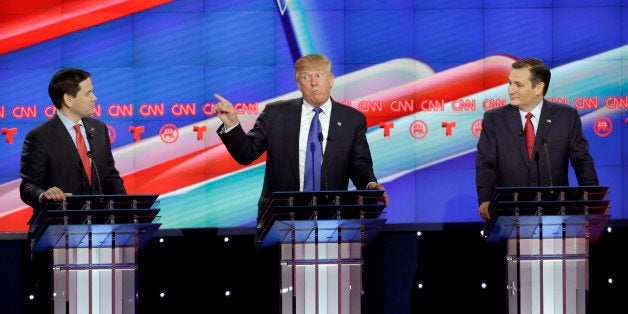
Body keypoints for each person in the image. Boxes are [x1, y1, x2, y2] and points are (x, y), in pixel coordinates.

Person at [214, 53, 389, 222]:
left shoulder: (352, 120)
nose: (314, 83)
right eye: (306, 77)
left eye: (319, 75)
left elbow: (359, 164)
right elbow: (247, 154)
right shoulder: (275, 114)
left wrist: (370, 186)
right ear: (298, 83)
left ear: (331, 79)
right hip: (281, 217)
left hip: (332, 217)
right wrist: (232, 125)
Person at [476, 58, 599, 222]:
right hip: (509, 213)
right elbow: (486, 163)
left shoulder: (566, 116)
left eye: (518, 85)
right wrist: (486, 198)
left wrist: (593, 199)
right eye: (510, 83)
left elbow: (582, 160)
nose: (510, 90)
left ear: (538, 88)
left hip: (555, 211)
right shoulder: (494, 119)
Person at [20, 68, 127, 228]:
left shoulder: (99, 129)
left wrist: (126, 210)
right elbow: (28, 186)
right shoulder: (40, 136)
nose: (94, 98)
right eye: (88, 93)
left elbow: (110, 176)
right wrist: (44, 194)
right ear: (69, 99)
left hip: (100, 227)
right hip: (57, 227)